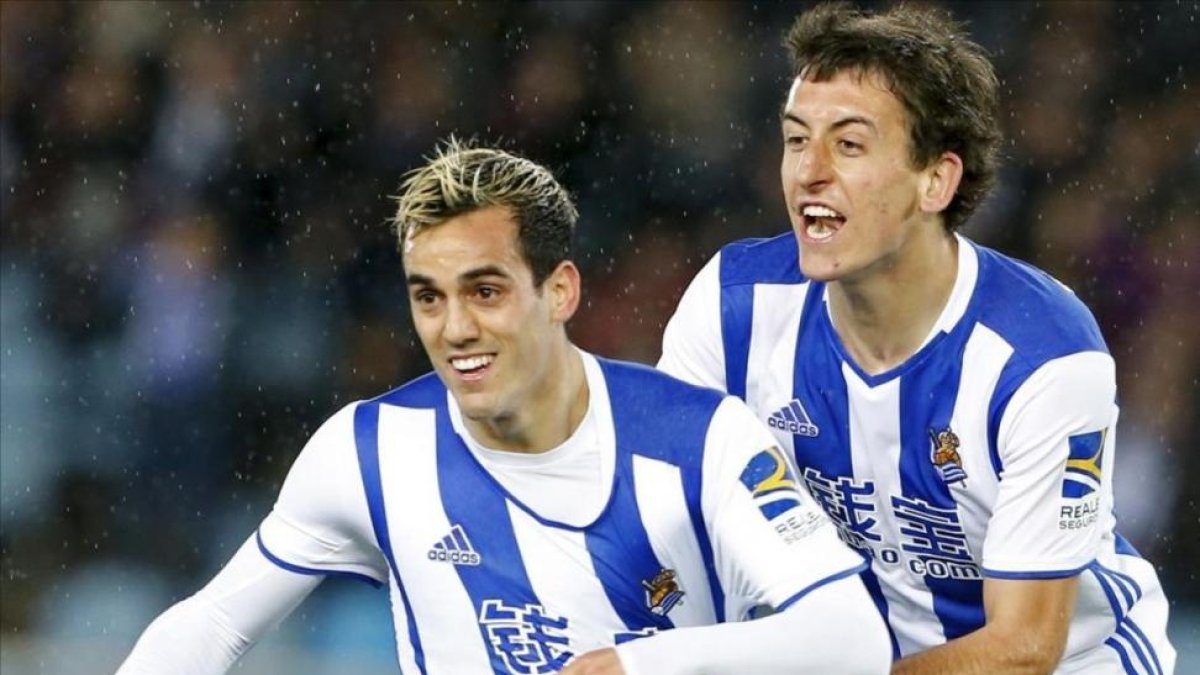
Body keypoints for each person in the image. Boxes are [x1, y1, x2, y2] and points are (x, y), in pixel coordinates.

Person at [117, 139, 890, 674]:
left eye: (485, 291)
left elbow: (853, 639)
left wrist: (641, 662)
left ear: (560, 290)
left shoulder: (702, 438)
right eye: (429, 297)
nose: (455, 329)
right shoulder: (368, 451)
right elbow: (212, 624)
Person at [657, 4, 1176, 674]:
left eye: (848, 144)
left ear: (937, 179)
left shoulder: (1042, 354)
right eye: (795, 140)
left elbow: (1023, 649)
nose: (808, 172)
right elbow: (666, 525)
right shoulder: (733, 305)